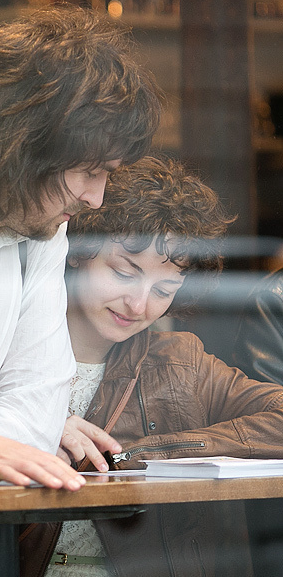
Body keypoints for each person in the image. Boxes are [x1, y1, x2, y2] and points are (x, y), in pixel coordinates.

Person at [19, 154, 283, 577]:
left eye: (164, 290)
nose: (139, 305)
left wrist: (150, 454)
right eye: (124, 273)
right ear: (78, 252)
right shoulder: (8, 348)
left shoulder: (181, 363)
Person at [0, 3, 160, 490]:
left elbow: (39, 412)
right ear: (22, 145)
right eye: (89, 171)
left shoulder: (44, 235)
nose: (96, 198)